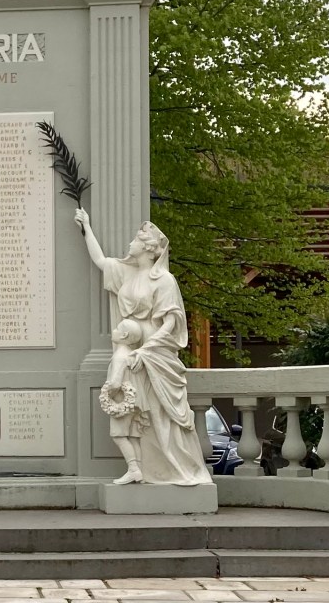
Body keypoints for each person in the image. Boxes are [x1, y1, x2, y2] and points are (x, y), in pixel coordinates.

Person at [74, 208, 212, 486]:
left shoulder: (163, 280)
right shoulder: (126, 273)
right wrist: (86, 227)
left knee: (157, 415)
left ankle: (170, 468)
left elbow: (170, 323)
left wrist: (146, 350)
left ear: (148, 249)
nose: (131, 243)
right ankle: (136, 468)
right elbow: (100, 261)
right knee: (132, 413)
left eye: (136, 239)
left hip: (153, 351)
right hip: (129, 345)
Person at [100, 318, 150, 484]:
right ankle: (140, 472)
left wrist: (108, 395)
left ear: (124, 335)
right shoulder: (131, 354)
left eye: (117, 329)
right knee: (134, 436)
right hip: (136, 401)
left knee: (119, 435)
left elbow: (115, 383)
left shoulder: (119, 356)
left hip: (123, 401)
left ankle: (133, 469)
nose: (114, 331)